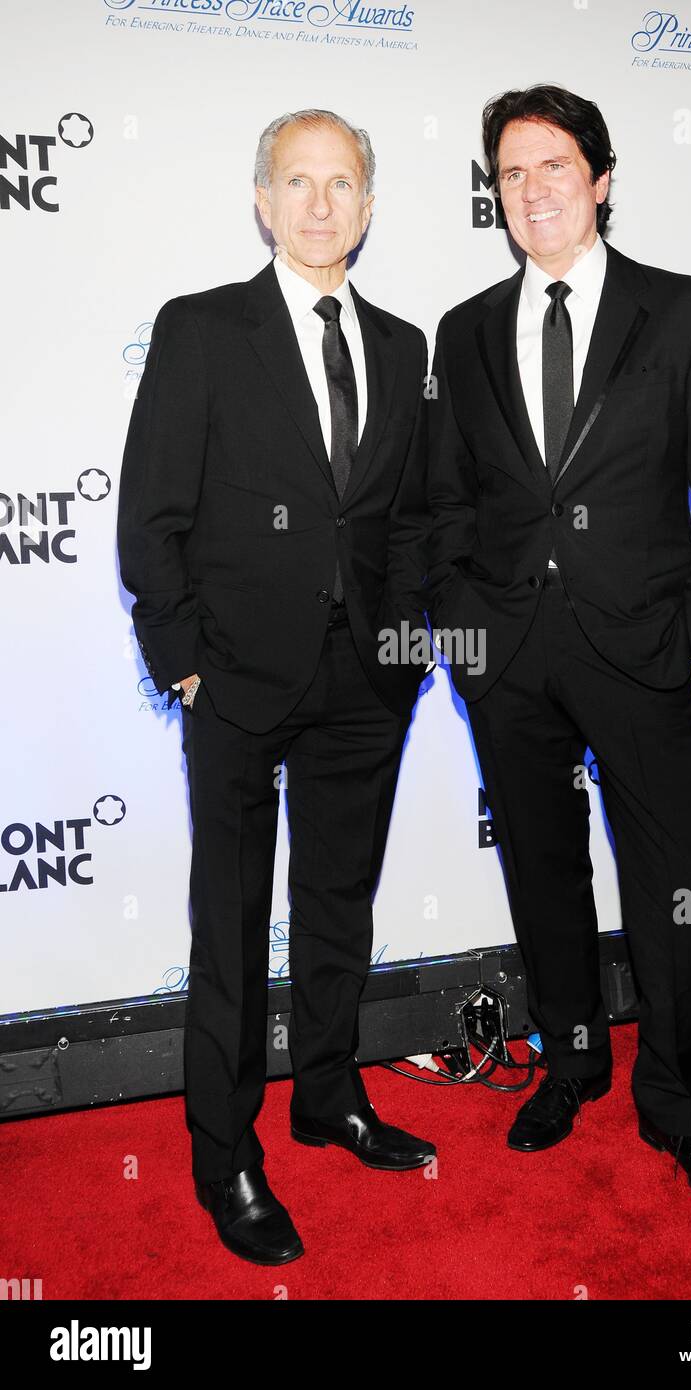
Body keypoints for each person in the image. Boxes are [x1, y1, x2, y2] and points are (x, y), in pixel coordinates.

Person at [428, 85, 691, 1211]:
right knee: (543, 870)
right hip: (511, 658)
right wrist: (460, 635)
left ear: (603, 179)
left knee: (679, 884)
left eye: (555, 167)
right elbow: (444, 505)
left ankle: (679, 1105)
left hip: (641, 649)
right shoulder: (465, 330)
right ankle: (573, 1061)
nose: (532, 189)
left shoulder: (681, 313)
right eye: (512, 173)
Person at [117, 108, 434, 1265]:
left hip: (365, 682)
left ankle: (329, 1093)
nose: (318, 204)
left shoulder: (403, 349)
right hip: (238, 681)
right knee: (231, 925)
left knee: (340, 902)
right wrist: (181, 658)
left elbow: (407, 523)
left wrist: (407, 653)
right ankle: (224, 1153)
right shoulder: (202, 329)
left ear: (367, 204)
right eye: (295, 182)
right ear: (262, 201)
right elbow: (151, 510)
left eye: (340, 182)